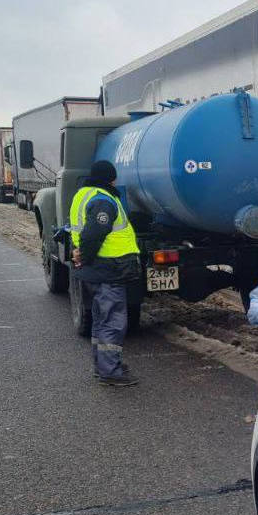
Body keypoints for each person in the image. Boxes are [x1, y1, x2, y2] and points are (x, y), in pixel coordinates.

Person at [70, 160, 141, 387]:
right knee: (112, 321)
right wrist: (85, 256)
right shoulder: (103, 200)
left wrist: (82, 257)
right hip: (109, 269)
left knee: (101, 320)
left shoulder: (84, 194)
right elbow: (93, 234)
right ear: (110, 178)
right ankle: (111, 371)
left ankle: (103, 366)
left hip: (99, 270)